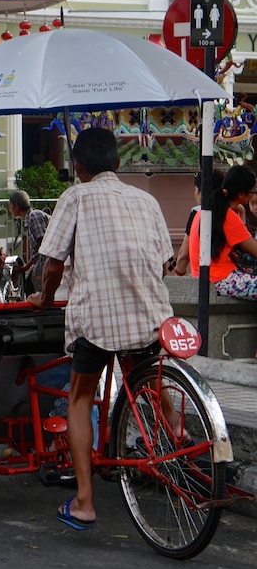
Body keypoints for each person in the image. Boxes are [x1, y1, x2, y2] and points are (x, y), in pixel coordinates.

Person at [28, 127, 174, 532]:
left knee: (80, 397)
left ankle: (84, 501)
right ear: (117, 162)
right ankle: (176, 435)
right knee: (145, 375)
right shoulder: (146, 199)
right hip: (149, 316)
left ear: (77, 167)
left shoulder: (75, 196)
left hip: (98, 319)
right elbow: (163, 261)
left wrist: (44, 297)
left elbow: (53, 264)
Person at [188, 165, 257, 299]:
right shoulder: (228, 217)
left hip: (206, 276)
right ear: (241, 195)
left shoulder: (206, 210)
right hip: (220, 278)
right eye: (253, 191)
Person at [7, 189, 49, 293]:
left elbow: (43, 243)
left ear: (16, 206)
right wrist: (26, 267)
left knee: (31, 289)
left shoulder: (33, 216)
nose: (10, 209)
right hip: (43, 261)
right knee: (29, 286)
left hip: (47, 262)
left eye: (10, 206)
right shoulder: (30, 218)